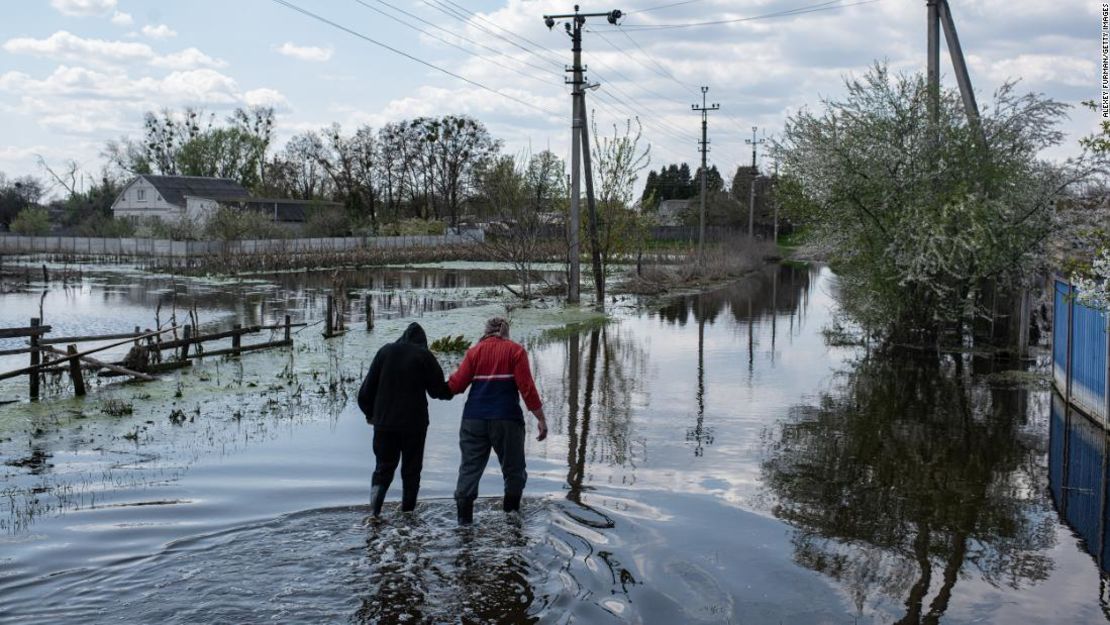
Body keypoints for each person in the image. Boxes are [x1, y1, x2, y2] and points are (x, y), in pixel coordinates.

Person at [447, 317, 547, 525]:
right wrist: (540, 418)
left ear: (486, 331)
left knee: (469, 470)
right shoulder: (515, 351)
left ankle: (464, 524)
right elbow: (527, 388)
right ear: (506, 332)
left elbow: (456, 386)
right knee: (514, 471)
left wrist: (433, 386)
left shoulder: (474, 352)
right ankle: (511, 520)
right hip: (507, 419)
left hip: (474, 420)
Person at [357, 322, 453, 517]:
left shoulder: (384, 352)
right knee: (411, 472)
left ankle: (374, 514)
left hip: (384, 424)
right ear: (423, 342)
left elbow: (365, 393)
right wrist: (456, 386)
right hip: (414, 425)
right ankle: (408, 517)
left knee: (383, 469)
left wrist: (370, 414)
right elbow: (438, 391)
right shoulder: (423, 355)